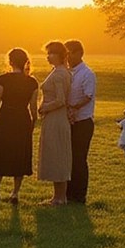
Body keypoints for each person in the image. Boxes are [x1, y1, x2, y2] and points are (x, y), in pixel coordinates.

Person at [0, 47, 38, 204]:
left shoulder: (3, 79)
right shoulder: (32, 82)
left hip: (5, 117)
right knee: (19, 153)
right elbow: (33, 106)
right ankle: (15, 193)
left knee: (0, 150)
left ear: (10, 61)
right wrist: (33, 120)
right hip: (22, 118)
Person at [37, 40, 72, 205]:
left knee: (58, 155)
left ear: (60, 55)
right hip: (54, 117)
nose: (48, 56)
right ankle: (57, 196)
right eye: (48, 53)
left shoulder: (59, 74)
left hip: (56, 117)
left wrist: (44, 108)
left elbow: (60, 100)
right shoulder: (59, 71)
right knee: (55, 153)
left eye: (52, 53)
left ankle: (60, 197)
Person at [65, 39, 96, 204]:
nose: (67, 57)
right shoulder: (67, 72)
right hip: (68, 121)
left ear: (79, 53)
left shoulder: (87, 74)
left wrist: (72, 107)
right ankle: (68, 192)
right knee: (68, 157)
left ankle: (79, 195)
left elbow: (87, 96)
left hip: (82, 121)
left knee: (79, 158)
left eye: (69, 53)